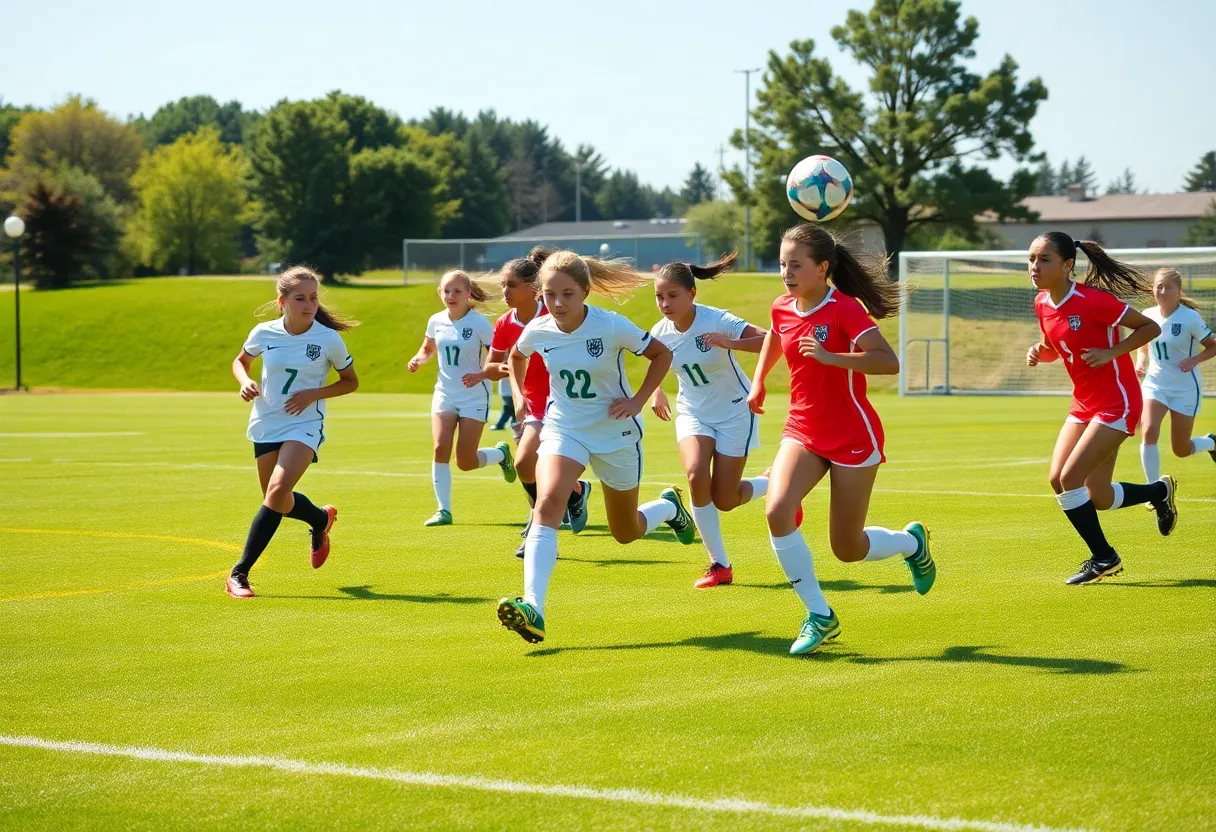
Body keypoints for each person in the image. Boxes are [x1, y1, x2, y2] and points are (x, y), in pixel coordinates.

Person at [749, 225, 935, 656]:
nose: (786, 273)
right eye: (783, 264)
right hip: (803, 430)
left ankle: (912, 543)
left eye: (796, 265)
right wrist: (759, 382)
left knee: (847, 549)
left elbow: (888, 363)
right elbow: (776, 335)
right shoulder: (782, 306)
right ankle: (820, 615)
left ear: (823, 268)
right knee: (777, 510)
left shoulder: (844, 309)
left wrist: (832, 357)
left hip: (853, 434)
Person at [496, 251, 694, 644]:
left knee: (625, 532)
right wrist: (521, 397)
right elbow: (516, 356)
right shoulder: (538, 329)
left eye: (568, 294)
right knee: (548, 503)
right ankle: (534, 606)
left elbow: (662, 354)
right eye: (550, 294)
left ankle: (669, 507)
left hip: (615, 433)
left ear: (585, 292)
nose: (558, 303)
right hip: (564, 427)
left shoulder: (610, 325)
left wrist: (638, 401)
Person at [1025, 233, 1176, 586]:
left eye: (1044, 259)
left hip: (1117, 402)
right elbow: (1055, 346)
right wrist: (1039, 352)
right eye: (1032, 258)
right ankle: (1159, 492)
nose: (1035, 266)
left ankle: (1104, 558)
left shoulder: (1093, 301)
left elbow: (1150, 327)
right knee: (1098, 496)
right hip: (1084, 403)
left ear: (1067, 265)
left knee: (1069, 479)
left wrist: (1112, 352)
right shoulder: (1042, 303)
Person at [226, 266, 359, 599]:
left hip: (304, 424)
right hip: (266, 422)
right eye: (300, 298)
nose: (308, 304)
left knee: (276, 490)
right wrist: (245, 383)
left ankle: (238, 574)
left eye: (313, 298)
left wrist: (314, 393)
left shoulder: (328, 339)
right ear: (282, 301)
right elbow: (240, 361)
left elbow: (350, 381)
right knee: (278, 501)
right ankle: (319, 518)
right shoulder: (264, 333)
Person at [648, 252, 771, 588]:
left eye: (673, 296)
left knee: (725, 499)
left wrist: (730, 342)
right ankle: (720, 565)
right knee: (694, 474)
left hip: (734, 411)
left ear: (692, 294)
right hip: (693, 411)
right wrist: (656, 391)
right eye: (659, 296)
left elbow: (769, 340)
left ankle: (773, 484)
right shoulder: (660, 332)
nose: (665, 303)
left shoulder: (717, 319)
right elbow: (654, 360)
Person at [483, 250, 591, 558]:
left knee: (524, 462)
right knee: (531, 467)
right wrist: (509, 377)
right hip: (529, 404)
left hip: (560, 404)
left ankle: (538, 529)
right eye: (503, 285)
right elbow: (492, 366)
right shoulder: (505, 323)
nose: (504, 291)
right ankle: (575, 493)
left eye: (511, 285)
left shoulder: (555, 312)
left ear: (533, 288)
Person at [408, 270, 516, 527]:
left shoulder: (479, 324)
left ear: (469, 294)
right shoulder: (436, 321)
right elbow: (427, 349)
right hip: (445, 393)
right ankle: (443, 510)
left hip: (473, 397)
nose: (451, 296)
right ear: (440, 294)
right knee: (439, 448)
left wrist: (481, 375)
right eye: (446, 291)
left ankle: (501, 455)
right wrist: (418, 360)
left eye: (457, 291)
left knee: (465, 462)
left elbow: (498, 357)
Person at [1135, 267, 1216, 484]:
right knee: (1148, 431)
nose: (1162, 291)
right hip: (1155, 384)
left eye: (1167, 287)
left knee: (1181, 449)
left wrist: (1193, 360)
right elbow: (1142, 345)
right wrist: (1140, 362)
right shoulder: (1147, 315)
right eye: (1158, 287)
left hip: (1185, 389)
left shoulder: (1190, 318)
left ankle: (1211, 442)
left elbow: (1212, 346)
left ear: (1178, 290)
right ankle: (1153, 491)